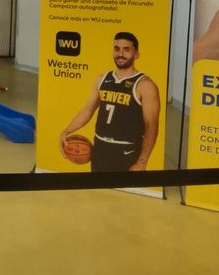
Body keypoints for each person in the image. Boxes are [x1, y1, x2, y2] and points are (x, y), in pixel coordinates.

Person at [59, 32, 159, 172]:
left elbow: (151, 126)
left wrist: (142, 162)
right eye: (117, 49)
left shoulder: (145, 85)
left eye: (127, 49)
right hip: (100, 149)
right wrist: (67, 131)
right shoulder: (102, 79)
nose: (120, 54)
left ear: (136, 54)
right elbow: (88, 110)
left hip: (127, 152)